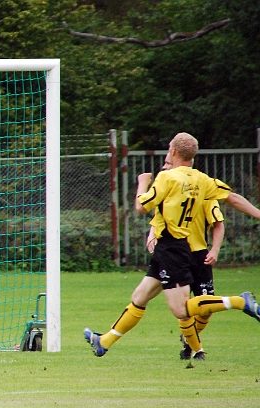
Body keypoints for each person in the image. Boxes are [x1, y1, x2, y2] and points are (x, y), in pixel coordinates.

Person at [83, 132, 260, 357]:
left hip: (172, 248)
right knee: (140, 297)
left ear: (173, 151)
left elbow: (141, 207)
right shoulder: (201, 179)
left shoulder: (167, 177)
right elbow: (232, 198)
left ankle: (240, 302)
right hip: (173, 247)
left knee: (181, 310)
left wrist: (142, 183)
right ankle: (104, 342)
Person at [146, 158, 225, 360]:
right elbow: (158, 218)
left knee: (206, 309)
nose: (165, 167)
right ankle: (196, 348)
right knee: (183, 305)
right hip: (175, 254)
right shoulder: (168, 188)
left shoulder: (203, 191)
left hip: (199, 254)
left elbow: (218, 222)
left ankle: (189, 339)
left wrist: (215, 249)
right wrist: (152, 235)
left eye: (168, 163)